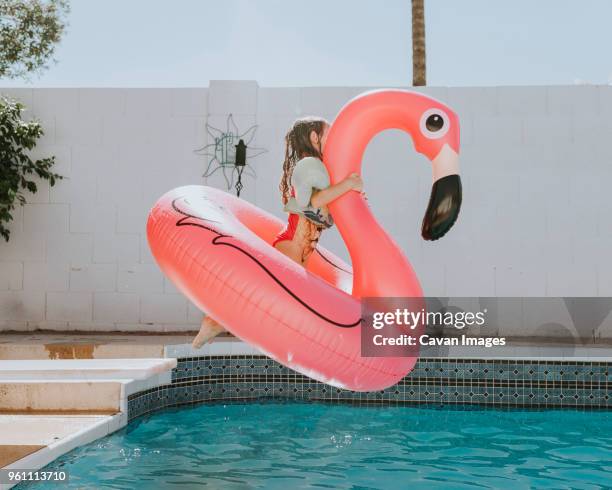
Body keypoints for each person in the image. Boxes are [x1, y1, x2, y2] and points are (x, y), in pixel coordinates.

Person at [192, 116, 363, 348]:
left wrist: (350, 193)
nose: (334, 142)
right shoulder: (308, 165)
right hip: (290, 247)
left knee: (264, 302)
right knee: (265, 301)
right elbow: (309, 203)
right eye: (329, 135)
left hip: (297, 251)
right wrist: (347, 186)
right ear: (315, 138)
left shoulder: (319, 170)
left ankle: (215, 321)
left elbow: (323, 207)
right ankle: (214, 321)